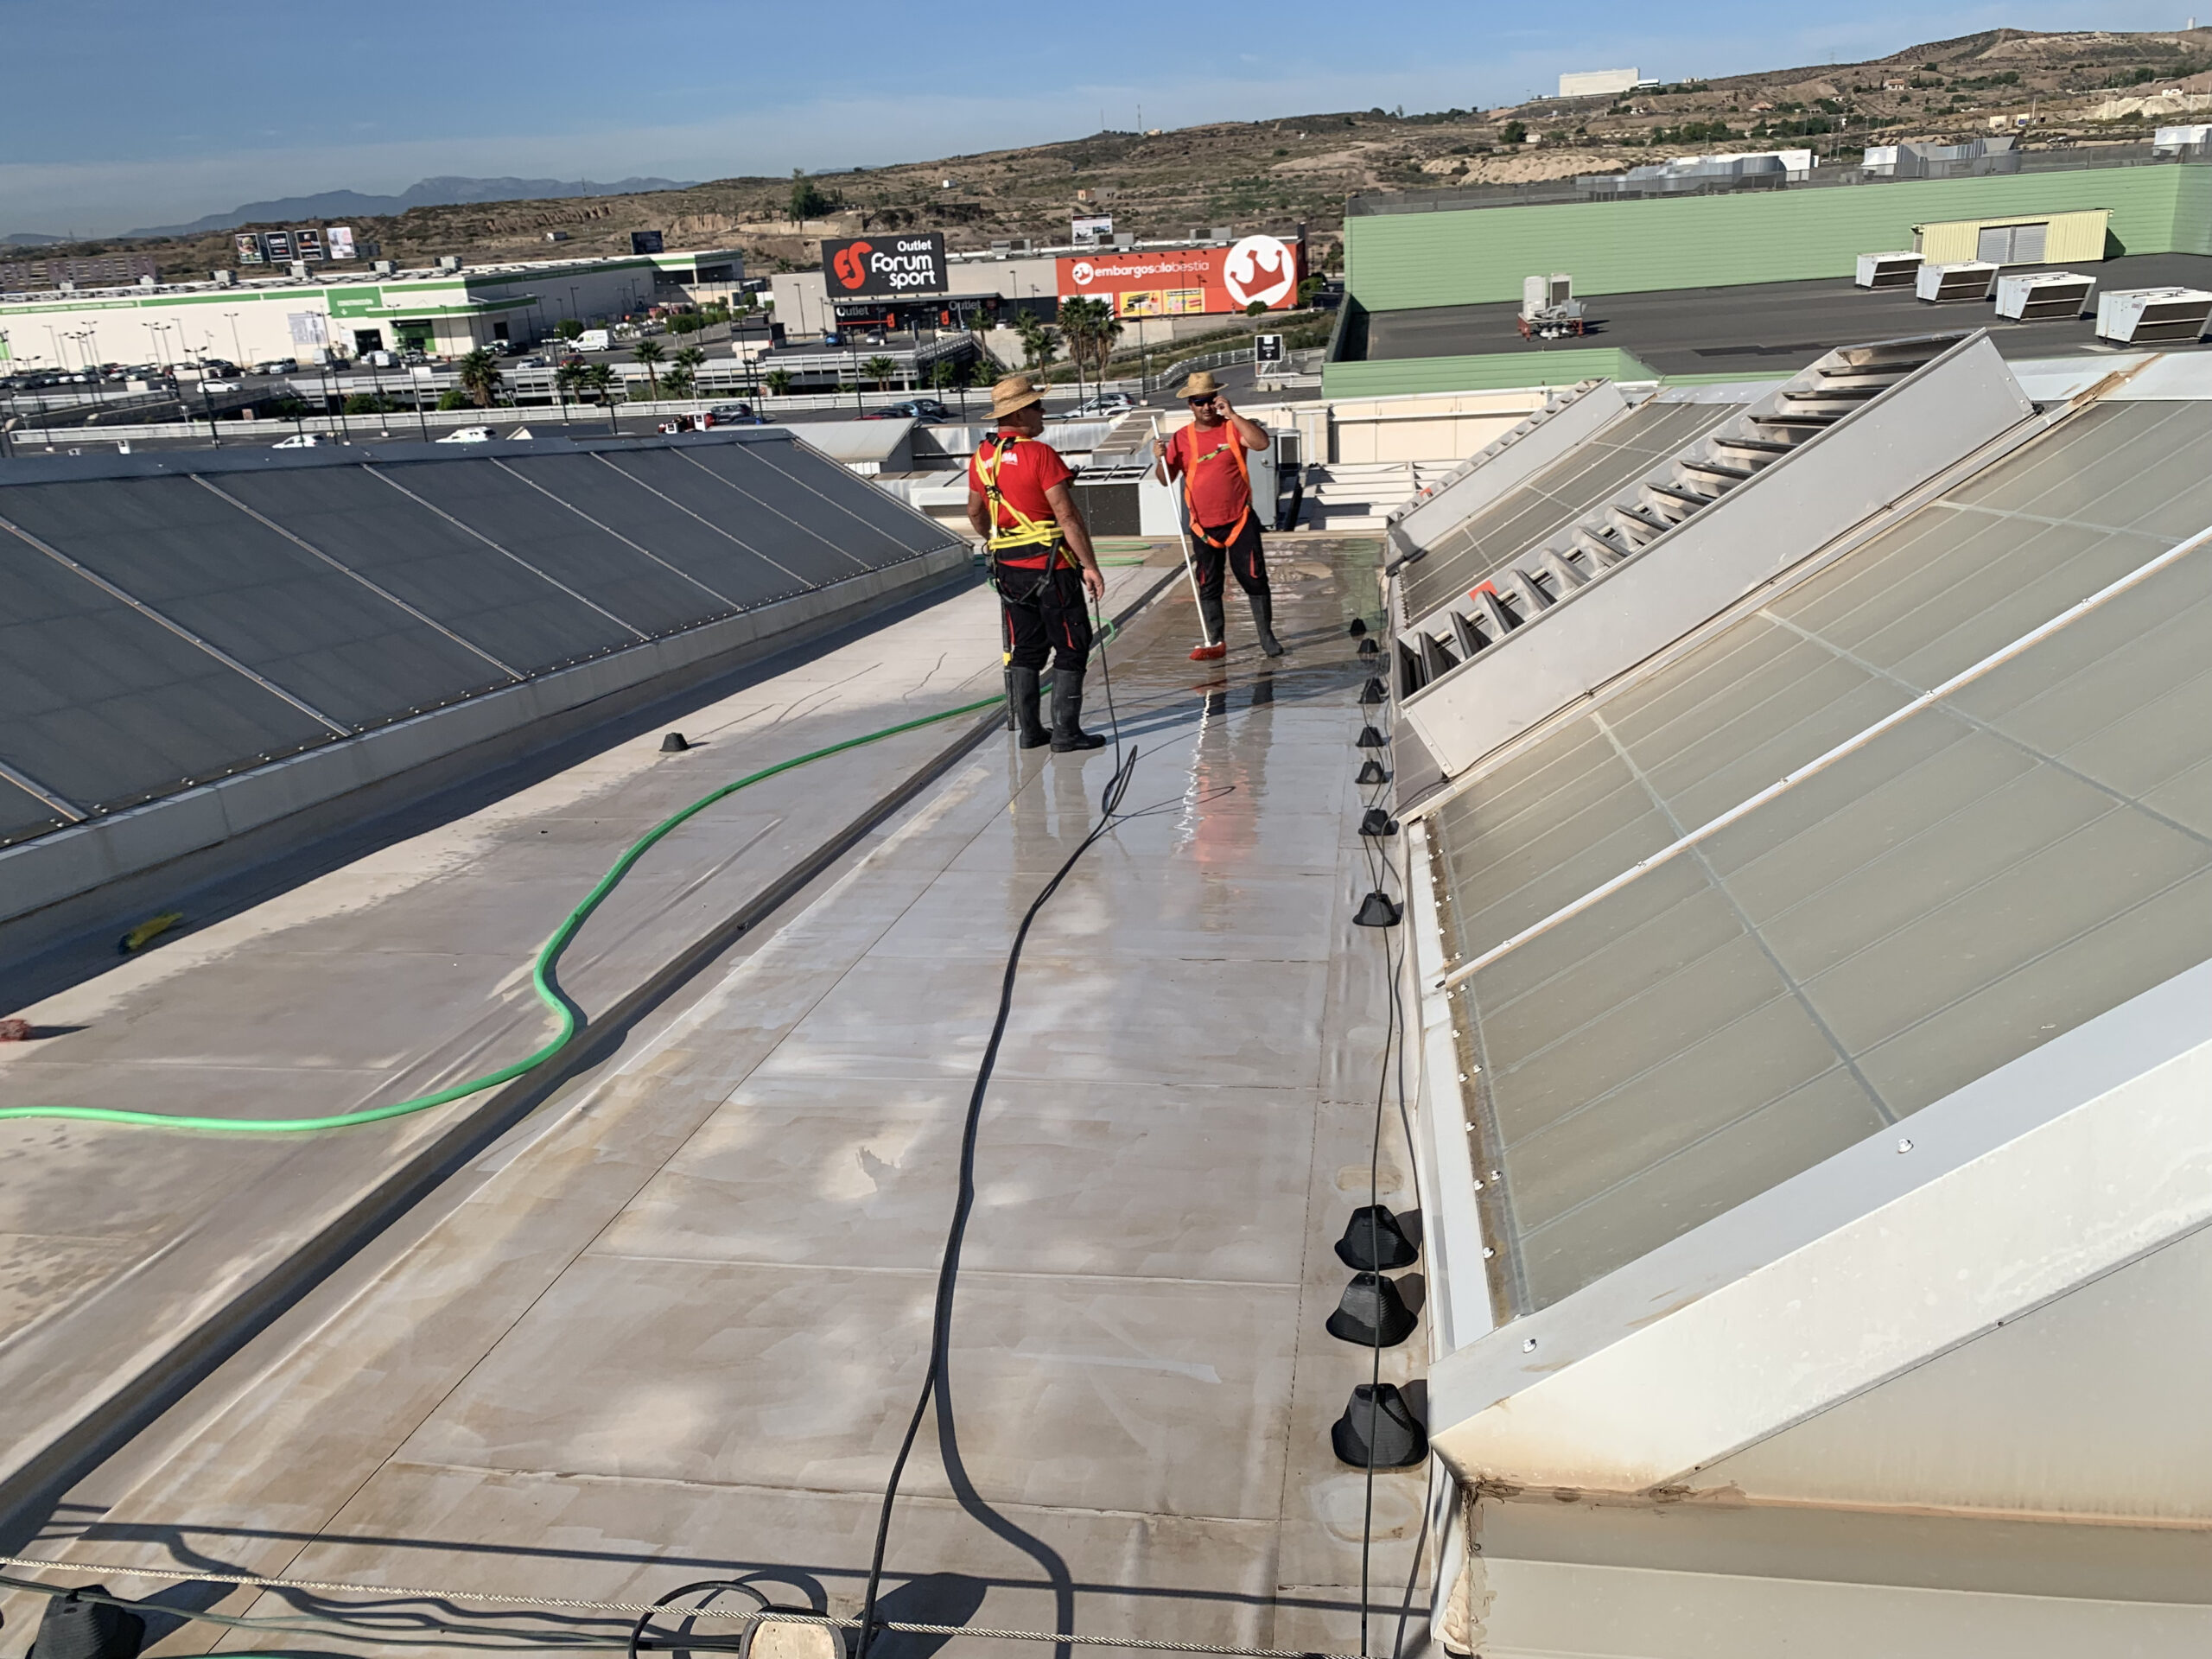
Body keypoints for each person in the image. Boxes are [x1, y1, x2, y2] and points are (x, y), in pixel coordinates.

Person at [967, 372, 1109, 752]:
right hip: (1052, 568)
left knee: (1027, 647)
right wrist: (1090, 566)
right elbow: (1067, 516)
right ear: (1020, 413)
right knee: (1072, 645)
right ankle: (1066, 733)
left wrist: (998, 541)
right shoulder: (1040, 454)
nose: (1043, 412)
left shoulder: (981, 458)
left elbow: (976, 513)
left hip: (1009, 570)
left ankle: (1031, 732)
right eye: (1037, 406)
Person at [1153, 370, 1282, 658]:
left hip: (1239, 520)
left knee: (1254, 578)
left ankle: (1266, 636)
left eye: (1210, 400)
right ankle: (1215, 638)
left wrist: (1232, 414)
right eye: (1200, 402)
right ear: (1191, 405)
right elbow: (1166, 479)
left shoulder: (1232, 428)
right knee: (1208, 584)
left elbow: (1261, 443)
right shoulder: (1182, 438)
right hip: (1203, 526)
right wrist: (1159, 460)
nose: (1206, 407)